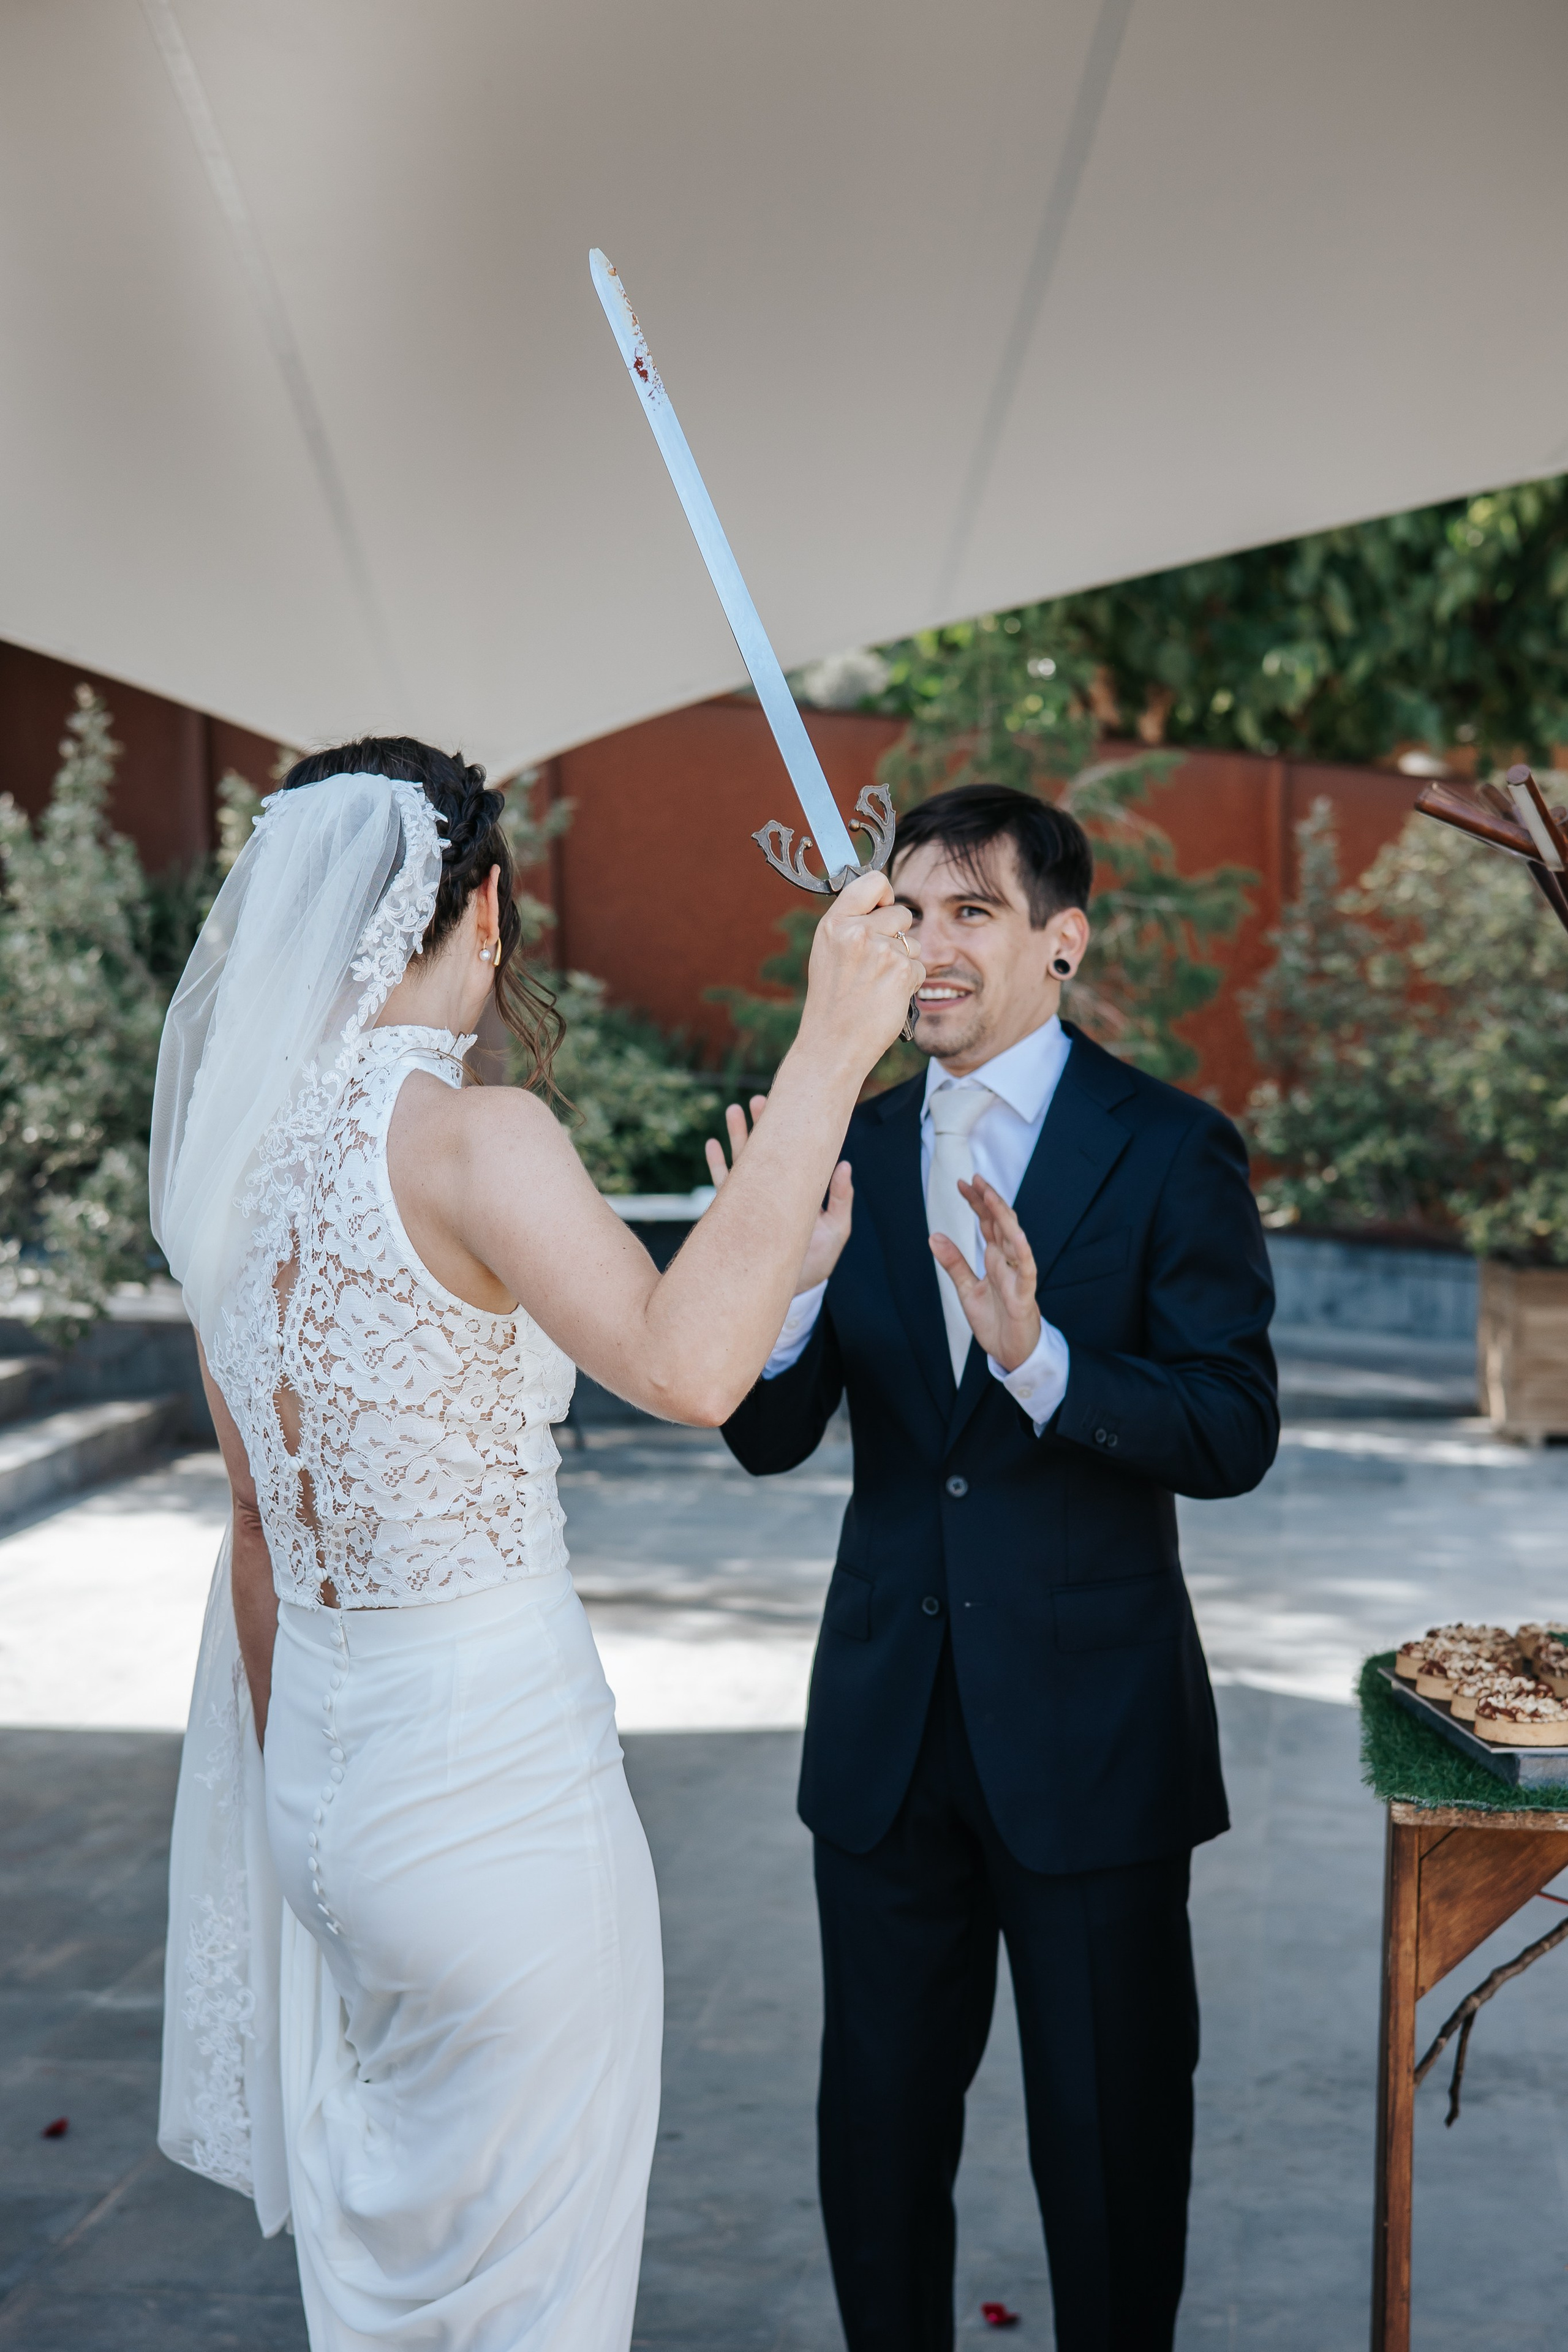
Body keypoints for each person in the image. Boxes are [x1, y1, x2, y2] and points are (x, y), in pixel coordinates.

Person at [153, 738, 923, 2352]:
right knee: (536, 2298)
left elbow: (252, 1519)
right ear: (485, 907)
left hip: (326, 1798)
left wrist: (774, 1266)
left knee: (390, 2275)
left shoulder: (239, 1173)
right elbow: (687, 1370)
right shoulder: (467, 1137)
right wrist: (830, 1047)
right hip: (490, 1807)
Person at [715, 782, 1279, 2352]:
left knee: (1109, 2152)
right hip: (887, 1738)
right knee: (876, 2144)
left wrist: (1042, 1361)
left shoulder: (1167, 1149)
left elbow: (1232, 1428)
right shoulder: (848, 1143)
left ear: (1061, 941)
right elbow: (769, 1438)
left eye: (971, 910)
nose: (931, 944)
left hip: (1093, 1744)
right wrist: (783, 1286)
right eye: (907, 913)